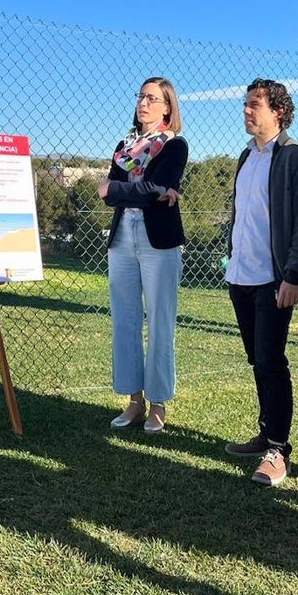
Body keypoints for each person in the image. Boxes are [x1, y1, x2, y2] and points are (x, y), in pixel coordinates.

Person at [223, 78, 298, 487]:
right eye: (245, 104)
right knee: (257, 360)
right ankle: (267, 432)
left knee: (271, 361)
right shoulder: (247, 157)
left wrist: (294, 274)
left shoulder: (297, 157)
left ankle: (279, 451)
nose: (247, 110)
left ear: (278, 111)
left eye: (255, 105)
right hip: (240, 276)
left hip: (273, 279)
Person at [100, 77, 188, 434]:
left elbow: (145, 189)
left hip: (159, 241)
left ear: (167, 107)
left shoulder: (175, 146)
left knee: (161, 323)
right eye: (141, 96)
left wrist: (125, 189)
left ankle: (158, 404)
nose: (144, 103)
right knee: (125, 320)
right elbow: (138, 192)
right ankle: (134, 401)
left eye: (153, 98)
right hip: (122, 236)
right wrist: (149, 192)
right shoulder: (125, 146)